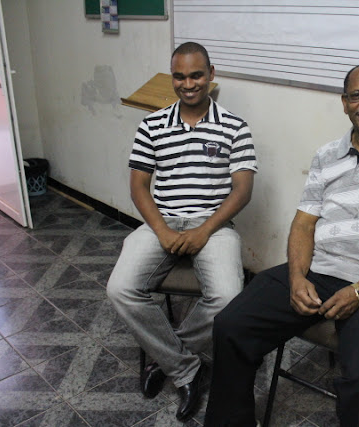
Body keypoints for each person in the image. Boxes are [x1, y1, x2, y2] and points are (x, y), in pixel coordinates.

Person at [203, 62, 359, 426]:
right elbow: (304, 223)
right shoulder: (327, 156)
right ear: (345, 103)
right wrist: (297, 278)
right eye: (357, 95)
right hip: (321, 270)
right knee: (230, 326)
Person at [106, 42, 257, 421]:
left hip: (215, 225)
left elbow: (242, 190)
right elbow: (139, 187)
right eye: (180, 76)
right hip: (163, 221)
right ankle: (186, 368)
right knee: (120, 289)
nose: (188, 84)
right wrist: (161, 230)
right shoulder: (152, 125)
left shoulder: (235, 126)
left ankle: (166, 359)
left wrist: (204, 230)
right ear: (171, 77)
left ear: (210, 74)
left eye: (196, 75)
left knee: (227, 298)